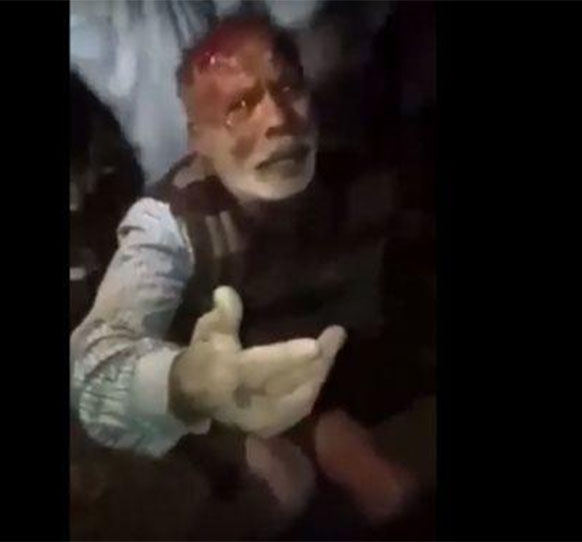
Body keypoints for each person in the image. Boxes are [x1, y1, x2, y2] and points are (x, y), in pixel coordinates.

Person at [70, 14, 432, 539]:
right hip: (229, 404)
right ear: (198, 140)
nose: (278, 119)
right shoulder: (170, 224)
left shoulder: (367, 175)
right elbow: (98, 366)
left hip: (335, 363)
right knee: (292, 484)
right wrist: (187, 384)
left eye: (288, 90)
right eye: (239, 107)